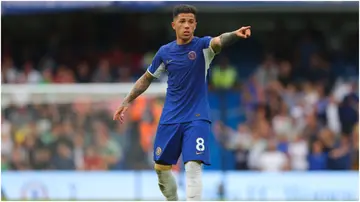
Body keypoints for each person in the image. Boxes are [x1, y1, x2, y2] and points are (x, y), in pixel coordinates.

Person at [113, 4, 251, 201]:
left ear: (195, 25)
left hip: (197, 117)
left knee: (193, 165)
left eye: (191, 22)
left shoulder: (203, 47)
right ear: (173, 25)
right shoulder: (165, 52)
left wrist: (235, 34)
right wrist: (127, 101)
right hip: (170, 117)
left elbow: (219, 40)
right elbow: (146, 78)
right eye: (182, 21)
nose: (186, 25)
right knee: (161, 169)